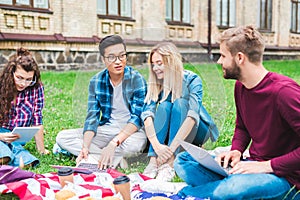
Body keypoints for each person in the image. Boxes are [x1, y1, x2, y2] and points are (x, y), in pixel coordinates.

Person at [174, 25, 300, 199]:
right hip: (251, 164)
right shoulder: (241, 86)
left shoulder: (284, 92)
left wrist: (267, 166)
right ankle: (223, 188)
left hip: (285, 177)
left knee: (231, 189)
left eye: (223, 56)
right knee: (183, 161)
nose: (219, 61)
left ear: (240, 58)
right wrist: (236, 151)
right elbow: (242, 126)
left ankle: (186, 195)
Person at [54, 35, 148, 169]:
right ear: (103, 59)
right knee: (62, 138)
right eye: (111, 57)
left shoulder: (136, 79)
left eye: (122, 56)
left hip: (132, 132)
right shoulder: (96, 81)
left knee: (136, 145)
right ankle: (111, 159)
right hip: (108, 129)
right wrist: (85, 147)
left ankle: (98, 157)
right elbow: (92, 117)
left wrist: (113, 143)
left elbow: (137, 119)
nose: (118, 61)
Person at [141, 42, 219, 182]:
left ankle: (170, 163)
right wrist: (157, 148)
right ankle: (153, 161)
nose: (155, 68)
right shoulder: (157, 84)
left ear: (171, 62)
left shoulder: (192, 79)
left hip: (197, 131)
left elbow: (192, 117)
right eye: (153, 64)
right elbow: (147, 116)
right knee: (164, 105)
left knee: (180, 103)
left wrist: (170, 151)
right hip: (171, 132)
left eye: (159, 63)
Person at [0, 47, 49, 167]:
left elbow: (37, 120)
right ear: (11, 73)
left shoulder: (36, 88)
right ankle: (6, 157)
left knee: (30, 161)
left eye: (29, 80)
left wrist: (41, 149)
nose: (23, 84)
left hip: (16, 137)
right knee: (4, 153)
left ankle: (10, 158)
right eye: (19, 78)